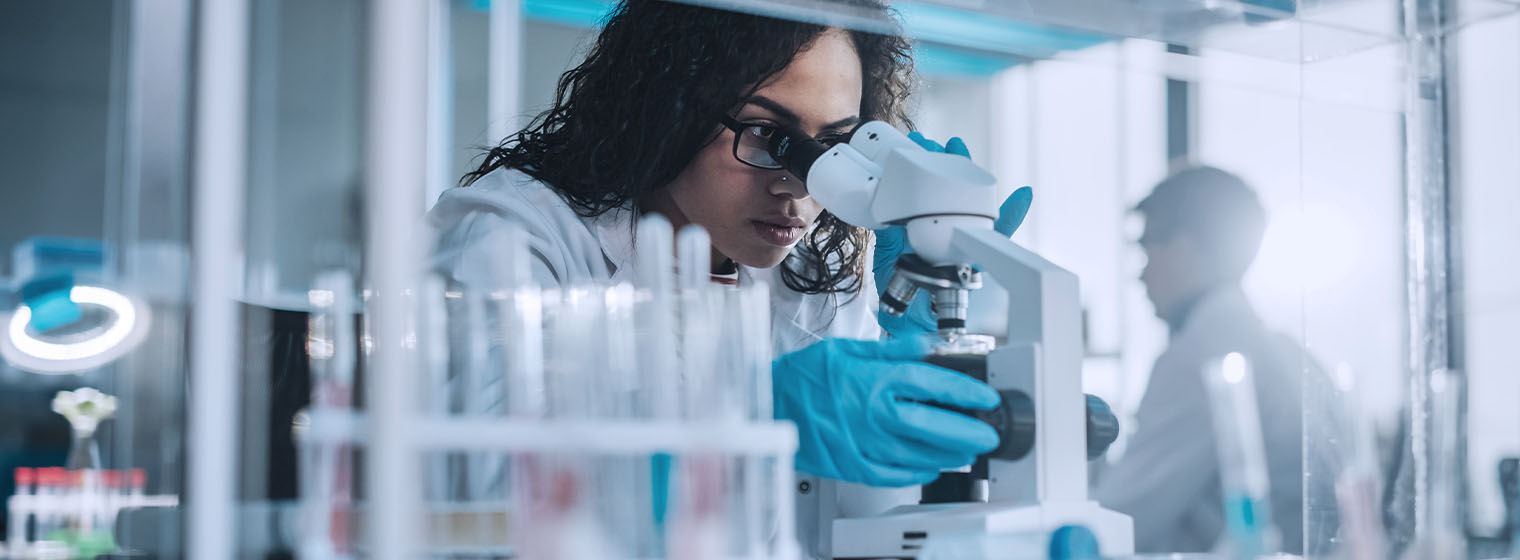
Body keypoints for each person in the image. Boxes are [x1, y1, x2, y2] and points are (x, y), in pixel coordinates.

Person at [425, 0, 1032, 555]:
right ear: (667, 104)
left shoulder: (812, 281)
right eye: (769, 136)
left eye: (835, 147)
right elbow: (487, 502)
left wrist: (906, 348)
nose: (795, 184)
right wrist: (760, 412)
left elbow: (866, 527)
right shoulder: (518, 235)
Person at [1096, 166, 1314, 553]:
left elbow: (1120, 520)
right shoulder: (1283, 349)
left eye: (1147, 250)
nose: (1141, 276)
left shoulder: (1201, 355)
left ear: (1183, 250)